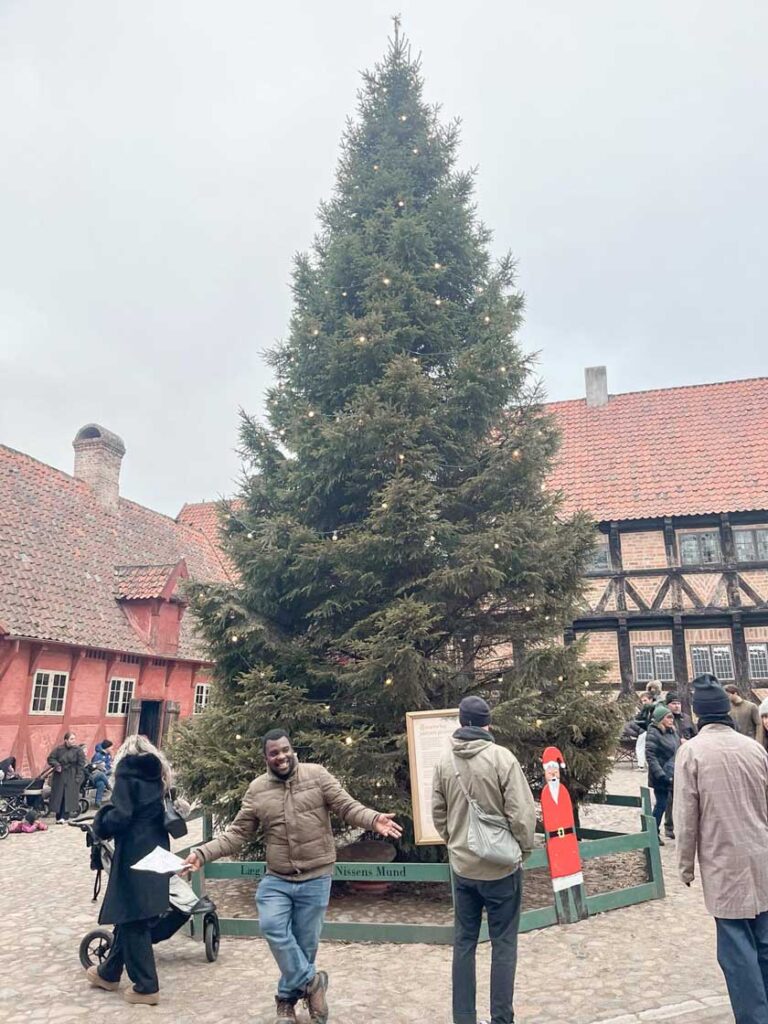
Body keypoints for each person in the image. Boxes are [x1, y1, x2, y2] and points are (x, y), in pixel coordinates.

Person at [182, 728, 402, 1024]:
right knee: (272, 926)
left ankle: (286, 1001)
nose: (281, 756)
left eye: (285, 750)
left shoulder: (317, 775)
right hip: (278, 877)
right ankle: (313, 982)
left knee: (305, 944)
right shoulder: (257, 790)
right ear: (266, 758)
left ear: (292, 749)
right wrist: (203, 853)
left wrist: (373, 819)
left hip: (316, 876)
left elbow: (346, 806)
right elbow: (237, 834)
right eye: (274, 753)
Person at [432, 696, 536, 1024]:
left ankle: (463, 1018)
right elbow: (521, 814)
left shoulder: (445, 762)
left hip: (463, 868)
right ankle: (501, 1018)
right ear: (488, 723)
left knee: (464, 943)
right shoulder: (502, 758)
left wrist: (455, 844)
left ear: (461, 722)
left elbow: (438, 813)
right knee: (503, 944)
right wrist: (523, 850)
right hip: (502, 868)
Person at [674, 674, 768, 1024]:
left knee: (736, 948)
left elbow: (686, 816)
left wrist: (685, 865)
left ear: (699, 713)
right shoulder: (754, 749)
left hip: (723, 860)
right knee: (765, 940)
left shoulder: (691, 752)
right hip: (761, 856)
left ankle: (754, 1018)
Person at [85, 734, 172, 1005]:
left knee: (133, 916)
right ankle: (108, 973)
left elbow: (121, 816)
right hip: (157, 847)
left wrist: (101, 822)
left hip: (134, 851)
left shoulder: (127, 774)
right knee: (131, 912)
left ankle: (147, 987)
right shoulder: (158, 775)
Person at [645, 704, 679, 843]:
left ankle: (669, 829)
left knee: (672, 804)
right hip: (661, 775)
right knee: (661, 804)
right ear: (660, 719)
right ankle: (652, 833)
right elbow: (650, 755)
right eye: (668, 717)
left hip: (672, 772)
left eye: (671, 717)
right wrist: (660, 774)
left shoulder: (671, 731)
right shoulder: (653, 732)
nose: (671, 720)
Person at [47, 732, 86, 823]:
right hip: (60, 775)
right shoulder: (59, 749)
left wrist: (78, 777)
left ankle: (64, 816)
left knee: (68, 796)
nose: (73, 741)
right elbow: (50, 758)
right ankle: (58, 815)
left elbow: (81, 765)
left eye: (74, 739)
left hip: (72, 774)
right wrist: (57, 765)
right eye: (71, 739)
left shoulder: (78, 750)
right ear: (66, 740)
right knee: (59, 795)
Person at [90, 739, 114, 808]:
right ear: (107, 747)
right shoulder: (98, 755)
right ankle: (111, 788)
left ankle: (97, 803)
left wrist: (110, 767)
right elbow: (94, 767)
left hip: (103, 777)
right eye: (111, 747)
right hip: (95, 776)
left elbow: (108, 766)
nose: (112, 748)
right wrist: (103, 767)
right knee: (101, 774)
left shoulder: (108, 755)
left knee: (101, 784)